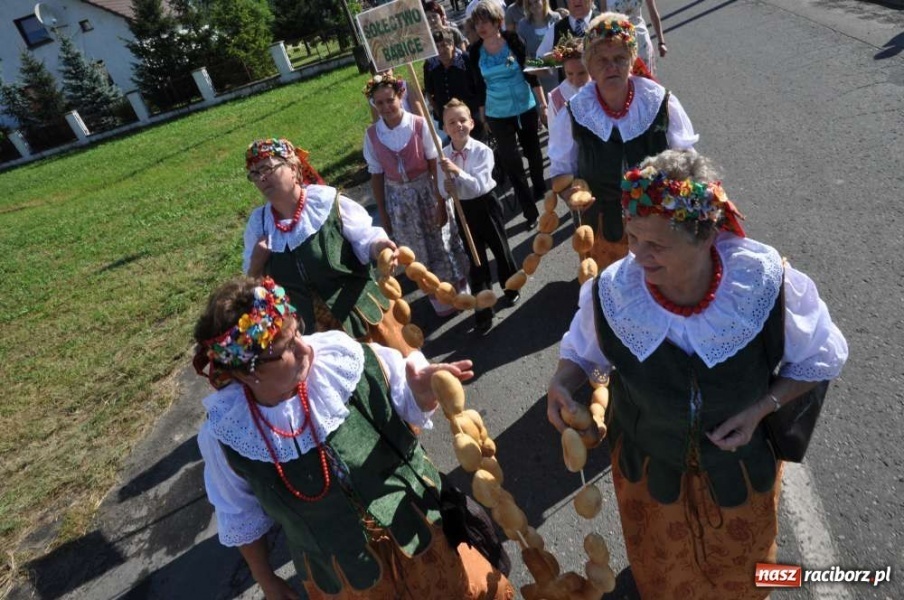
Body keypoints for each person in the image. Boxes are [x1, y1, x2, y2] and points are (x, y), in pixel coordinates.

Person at [547, 150, 849, 600]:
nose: (638, 256)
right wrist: (561, 382)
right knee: (664, 575)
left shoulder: (760, 283)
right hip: (649, 475)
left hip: (738, 473)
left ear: (706, 235)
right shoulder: (615, 291)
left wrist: (761, 408)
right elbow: (581, 351)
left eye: (657, 245)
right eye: (632, 237)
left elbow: (819, 360)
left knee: (743, 574)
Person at [194, 276, 516, 600]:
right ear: (248, 371)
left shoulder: (343, 361)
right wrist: (267, 579)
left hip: (426, 537)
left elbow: (408, 409)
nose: (305, 347)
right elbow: (239, 514)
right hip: (343, 579)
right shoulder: (228, 434)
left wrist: (421, 394)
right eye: (286, 348)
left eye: (298, 331)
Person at [548, 13, 697, 270]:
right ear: (590, 67)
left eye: (619, 58)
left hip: (660, 223)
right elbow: (561, 170)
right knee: (612, 287)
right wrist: (570, 192)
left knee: (661, 285)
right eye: (602, 60)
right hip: (602, 227)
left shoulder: (658, 101)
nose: (612, 67)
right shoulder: (574, 112)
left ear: (631, 61)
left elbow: (687, 158)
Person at [243, 138, 412, 356]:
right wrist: (256, 263)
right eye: (254, 174)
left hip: (363, 321)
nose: (261, 178)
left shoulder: (326, 203)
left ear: (293, 168)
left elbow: (366, 237)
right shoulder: (259, 225)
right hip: (316, 341)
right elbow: (254, 290)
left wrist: (380, 246)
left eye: (267, 168)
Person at [363, 73, 471, 316]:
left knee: (442, 241)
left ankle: (458, 284)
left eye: (390, 100)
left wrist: (440, 202)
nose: (386, 107)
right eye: (379, 103)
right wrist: (383, 215)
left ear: (400, 96)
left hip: (428, 191)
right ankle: (436, 294)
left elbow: (434, 164)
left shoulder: (418, 124)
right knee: (415, 249)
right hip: (400, 202)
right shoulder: (372, 135)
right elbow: (376, 176)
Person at [437, 99, 520, 334]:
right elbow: (442, 191)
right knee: (475, 258)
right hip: (463, 209)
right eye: (451, 122)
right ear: (445, 128)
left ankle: (510, 286)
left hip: (486, 204)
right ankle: (483, 309)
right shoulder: (443, 155)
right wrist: (447, 187)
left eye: (462, 120)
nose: (458, 125)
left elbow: (479, 185)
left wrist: (457, 172)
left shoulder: (482, 151)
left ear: (472, 123)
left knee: (500, 248)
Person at [468, 0, 548, 230]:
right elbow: (478, 85)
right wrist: (483, 116)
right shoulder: (474, 52)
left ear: (497, 22)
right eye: (477, 23)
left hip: (524, 106)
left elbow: (530, 71)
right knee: (512, 162)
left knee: (533, 152)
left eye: (485, 22)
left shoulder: (513, 40)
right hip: (497, 113)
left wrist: (542, 104)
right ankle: (530, 212)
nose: (481, 27)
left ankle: (540, 187)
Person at [424, 28, 485, 141]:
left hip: (472, 115)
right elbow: (429, 92)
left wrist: (481, 111)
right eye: (436, 47)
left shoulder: (466, 60)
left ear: (452, 44)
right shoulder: (430, 65)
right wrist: (440, 113)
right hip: (448, 120)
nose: (441, 50)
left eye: (444, 45)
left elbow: (480, 86)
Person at [605, 0, 667, 74]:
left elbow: (653, 13)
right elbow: (604, 21)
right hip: (619, 45)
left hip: (641, 42)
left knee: (644, 78)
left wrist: (661, 42)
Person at [517, 0, 563, 95]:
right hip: (537, 77)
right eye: (530, 4)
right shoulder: (522, 25)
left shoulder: (556, 17)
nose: (533, 6)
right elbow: (521, 53)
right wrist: (531, 65)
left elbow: (563, 45)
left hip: (559, 73)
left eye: (536, 2)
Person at [545, 35, 589, 122]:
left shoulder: (603, 89)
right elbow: (554, 129)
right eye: (570, 74)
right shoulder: (556, 98)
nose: (576, 81)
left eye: (582, 73)